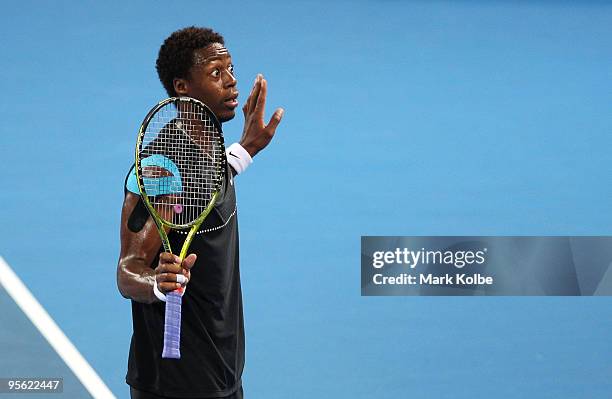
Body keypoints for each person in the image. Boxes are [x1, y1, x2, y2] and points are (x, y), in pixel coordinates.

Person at [117, 26, 284, 399]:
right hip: (175, 382)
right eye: (215, 74)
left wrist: (245, 151)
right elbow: (128, 269)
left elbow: (209, 178)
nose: (231, 83)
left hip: (222, 368)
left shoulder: (209, 149)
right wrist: (157, 285)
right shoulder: (162, 168)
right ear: (182, 87)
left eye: (231, 70)